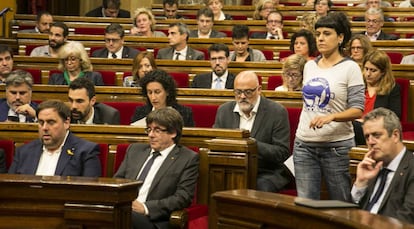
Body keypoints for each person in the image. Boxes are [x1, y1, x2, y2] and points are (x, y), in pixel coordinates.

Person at [293, 12, 365, 201]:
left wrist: (332, 117)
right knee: (306, 205)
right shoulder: (310, 66)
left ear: (340, 37)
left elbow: (358, 109)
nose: (321, 38)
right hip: (304, 144)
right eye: (318, 34)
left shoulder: (351, 68)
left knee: (341, 205)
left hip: (337, 146)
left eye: (327, 33)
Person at [115, 107, 199, 229]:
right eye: (149, 129)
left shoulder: (187, 158)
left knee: (125, 216)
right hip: (124, 209)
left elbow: (182, 197)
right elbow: (118, 181)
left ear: (173, 133)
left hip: (153, 220)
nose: (151, 135)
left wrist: (145, 208)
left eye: (157, 130)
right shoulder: (134, 151)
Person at [213, 71, 292, 192]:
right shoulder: (224, 111)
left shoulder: (277, 112)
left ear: (259, 89)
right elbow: (215, 144)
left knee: (260, 187)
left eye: (248, 92)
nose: (243, 96)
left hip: (265, 172)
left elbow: (282, 153)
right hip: (231, 168)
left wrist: (250, 144)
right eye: (238, 92)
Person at [351, 107, 414, 224]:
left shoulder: (411, 168)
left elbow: (408, 218)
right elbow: (348, 213)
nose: (371, 142)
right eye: (367, 137)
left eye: (376, 135)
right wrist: (360, 183)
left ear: (395, 135)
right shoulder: (372, 168)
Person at [8, 100, 101, 177]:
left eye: (51, 122)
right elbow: (10, 188)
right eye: (41, 122)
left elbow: (90, 193)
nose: (44, 128)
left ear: (66, 123)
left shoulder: (86, 152)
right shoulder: (24, 151)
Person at [353, 50, 400, 145]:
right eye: (366, 69)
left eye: (373, 70)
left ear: (383, 72)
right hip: (353, 128)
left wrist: (366, 122)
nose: (368, 74)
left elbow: (394, 116)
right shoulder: (357, 85)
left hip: (377, 130)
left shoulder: (392, 89)